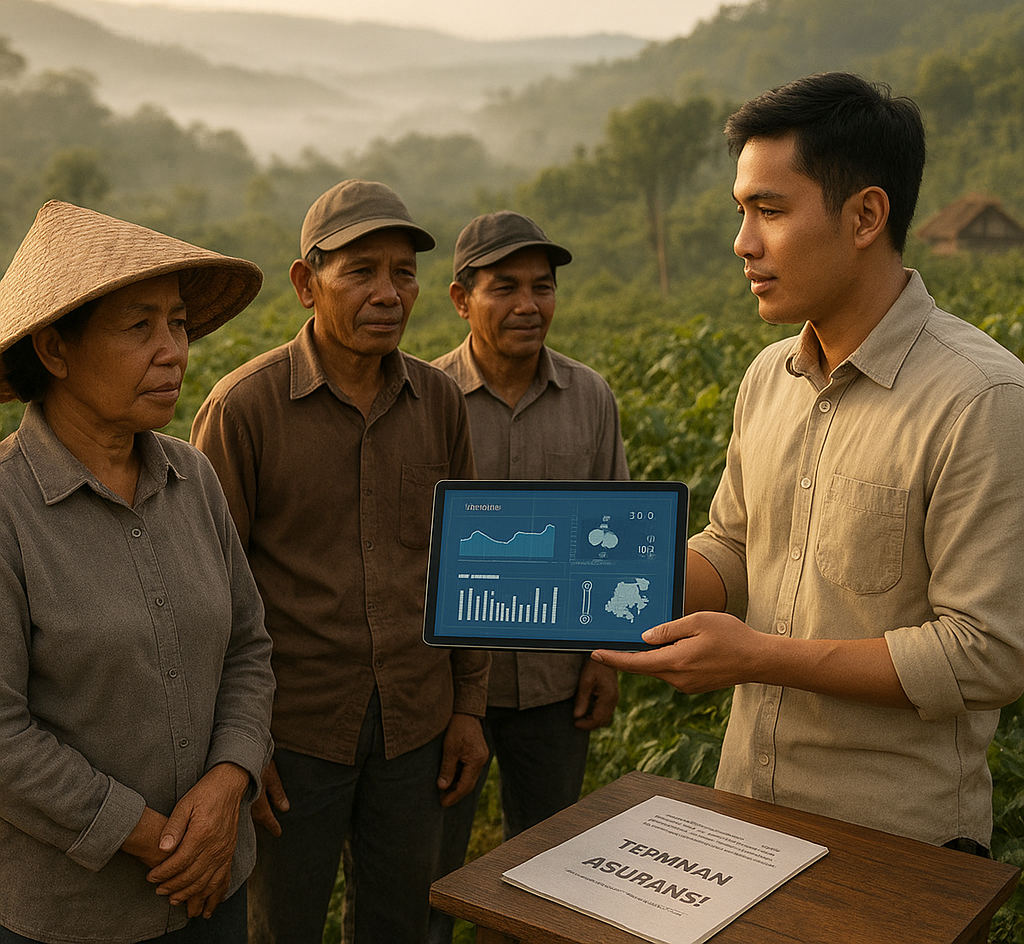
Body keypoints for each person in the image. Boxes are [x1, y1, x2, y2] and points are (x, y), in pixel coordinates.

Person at [592, 72, 1024, 854]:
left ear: (865, 216)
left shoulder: (980, 398)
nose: (743, 242)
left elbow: (988, 653)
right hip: (745, 810)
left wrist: (758, 656)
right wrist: (599, 581)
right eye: (741, 211)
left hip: (893, 843)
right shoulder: (769, 377)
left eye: (770, 210)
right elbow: (735, 546)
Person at [190, 179, 490, 944]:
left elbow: (464, 566)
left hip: (415, 724)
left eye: (403, 273)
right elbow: (206, 597)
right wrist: (236, 748)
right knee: (281, 925)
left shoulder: (439, 403)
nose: (388, 294)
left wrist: (467, 707)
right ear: (306, 283)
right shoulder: (243, 409)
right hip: (292, 734)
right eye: (361, 272)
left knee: (399, 922)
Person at [0, 200, 275, 943]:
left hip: (215, 888)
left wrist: (230, 779)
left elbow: (248, 648)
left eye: (178, 323)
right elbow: (4, 735)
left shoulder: (193, 477)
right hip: (73, 912)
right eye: (138, 327)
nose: (174, 351)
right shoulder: (8, 510)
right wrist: (157, 838)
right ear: (55, 350)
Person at [429, 211, 627, 938]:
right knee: (430, 868)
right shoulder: (425, 397)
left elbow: (615, 542)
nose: (527, 304)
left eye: (542, 287)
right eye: (505, 287)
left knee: (549, 871)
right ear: (461, 299)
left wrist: (606, 656)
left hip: (554, 680)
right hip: (447, 687)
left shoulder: (590, 397)